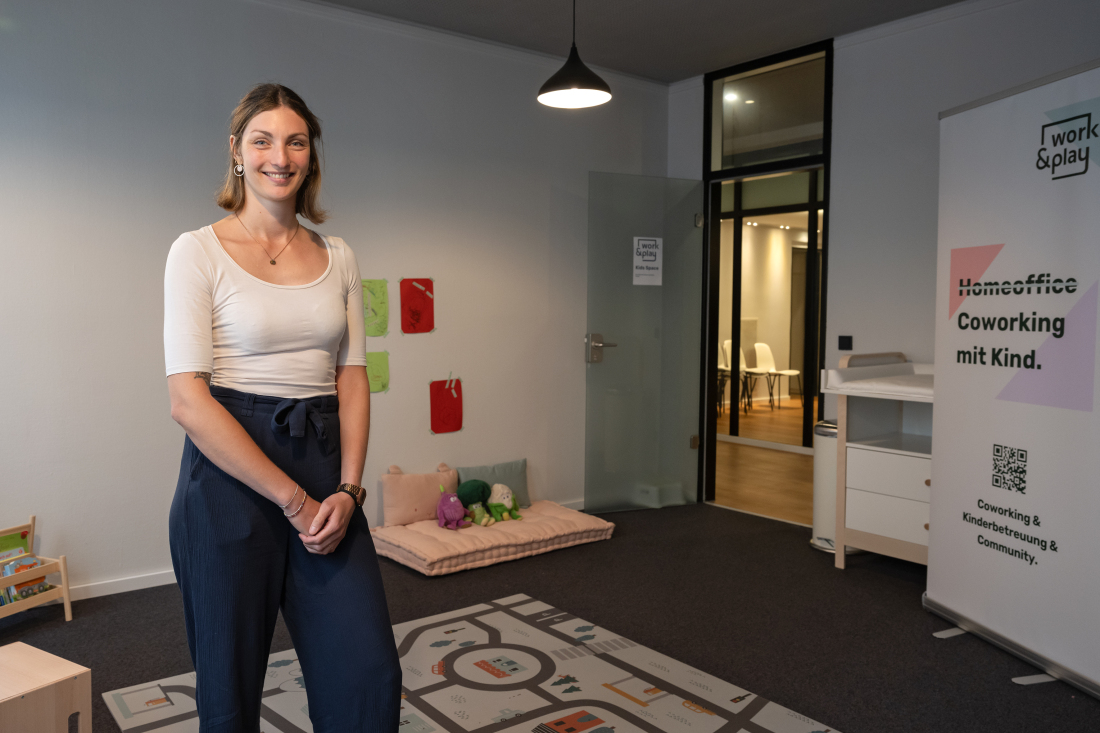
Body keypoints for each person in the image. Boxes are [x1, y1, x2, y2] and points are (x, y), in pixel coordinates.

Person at [163, 83, 399, 731]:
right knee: (231, 684)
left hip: (325, 465)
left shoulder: (339, 254)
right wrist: (291, 499)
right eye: (262, 139)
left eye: (296, 140)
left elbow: (352, 378)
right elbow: (188, 401)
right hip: (228, 476)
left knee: (367, 668)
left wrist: (349, 488)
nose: (280, 154)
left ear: (310, 156)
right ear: (236, 152)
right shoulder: (197, 250)